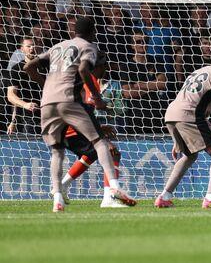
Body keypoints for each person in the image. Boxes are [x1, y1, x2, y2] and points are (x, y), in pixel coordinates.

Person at [24, 17, 135, 212]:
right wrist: (98, 99)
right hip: (69, 102)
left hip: (47, 103)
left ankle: (58, 197)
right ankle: (113, 190)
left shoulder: (57, 47)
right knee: (101, 144)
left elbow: (28, 67)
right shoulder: (88, 48)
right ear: (93, 32)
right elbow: (84, 70)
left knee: (57, 152)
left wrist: (45, 85)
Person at [154, 44, 211, 209]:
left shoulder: (199, 71)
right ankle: (210, 198)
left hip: (171, 114)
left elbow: (196, 101)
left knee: (189, 155)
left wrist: (178, 138)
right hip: (189, 115)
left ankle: (164, 196)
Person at [59, 52, 127, 208]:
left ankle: (63, 185)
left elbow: (85, 113)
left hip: (67, 125)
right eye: (105, 65)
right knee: (110, 151)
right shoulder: (87, 82)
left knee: (92, 153)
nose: (107, 69)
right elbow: (79, 113)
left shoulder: (90, 81)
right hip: (70, 127)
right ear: (100, 66)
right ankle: (109, 197)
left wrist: (99, 128)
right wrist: (100, 136)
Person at [4, 37, 41, 134]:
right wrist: (13, 121)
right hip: (28, 117)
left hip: (48, 113)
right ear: (22, 49)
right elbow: (11, 96)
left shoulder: (46, 67)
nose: (32, 48)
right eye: (28, 46)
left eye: (34, 45)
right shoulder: (16, 69)